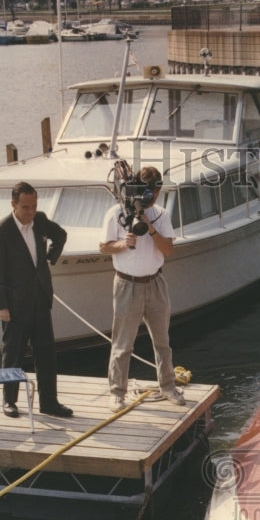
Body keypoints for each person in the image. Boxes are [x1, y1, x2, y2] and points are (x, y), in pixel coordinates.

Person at [98, 166, 185, 411]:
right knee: (123, 343)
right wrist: (122, 244)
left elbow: (167, 250)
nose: (153, 197)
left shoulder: (161, 215)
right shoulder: (116, 213)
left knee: (162, 341)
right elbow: (104, 247)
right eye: (149, 192)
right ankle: (116, 392)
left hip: (155, 283)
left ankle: (168, 386)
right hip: (127, 284)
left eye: (156, 192)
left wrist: (151, 227)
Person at [0, 181, 72, 419]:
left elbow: (61, 235)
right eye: (25, 207)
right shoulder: (0, 232)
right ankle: (9, 401)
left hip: (41, 299)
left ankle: (49, 402)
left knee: (46, 353)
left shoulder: (40, 220)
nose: (30, 212)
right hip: (14, 305)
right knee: (12, 353)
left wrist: (49, 258)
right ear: (14, 205)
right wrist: (1, 305)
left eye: (34, 206)